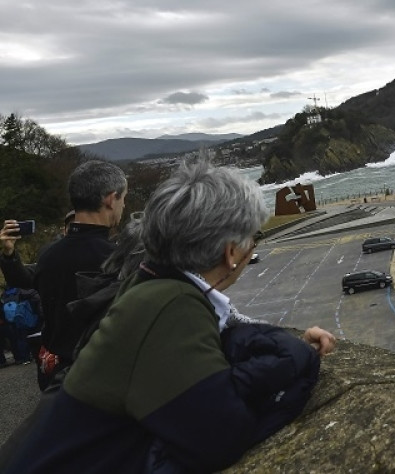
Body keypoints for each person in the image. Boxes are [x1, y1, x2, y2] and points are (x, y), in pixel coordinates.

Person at [0, 155, 335, 473]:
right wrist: (297, 355)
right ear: (232, 252)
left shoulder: (150, 282)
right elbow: (221, 436)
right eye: (254, 237)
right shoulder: (171, 303)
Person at [0, 160, 127, 389]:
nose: (124, 205)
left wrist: (9, 256)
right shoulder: (117, 257)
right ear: (110, 199)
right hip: (101, 371)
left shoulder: (49, 254)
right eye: (123, 198)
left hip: (56, 372)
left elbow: (24, 281)